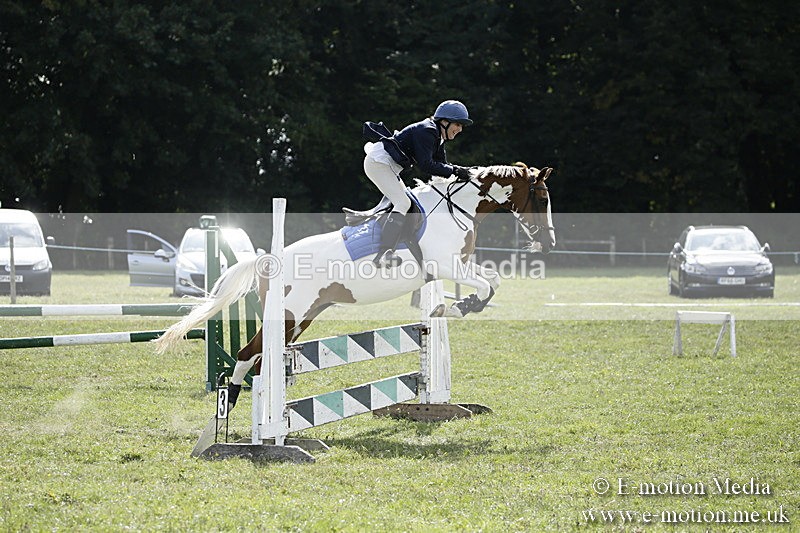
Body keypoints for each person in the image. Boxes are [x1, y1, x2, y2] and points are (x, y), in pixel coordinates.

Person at [363, 99, 473, 267]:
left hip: (388, 167)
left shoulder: (438, 137)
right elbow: (426, 165)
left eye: (461, 125)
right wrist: (456, 170)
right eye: (457, 124)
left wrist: (460, 173)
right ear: (444, 121)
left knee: (410, 203)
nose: (460, 129)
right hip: (378, 163)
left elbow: (443, 167)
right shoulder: (427, 131)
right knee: (403, 203)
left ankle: (403, 244)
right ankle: (383, 253)